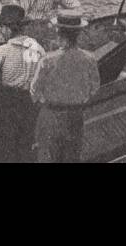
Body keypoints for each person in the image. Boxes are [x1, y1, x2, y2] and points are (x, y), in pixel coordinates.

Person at [29, 12, 100, 163]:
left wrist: (44, 101)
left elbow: (34, 90)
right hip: (75, 116)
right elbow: (94, 88)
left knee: (47, 157)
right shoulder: (90, 60)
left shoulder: (47, 60)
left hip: (51, 115)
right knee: (71, 157)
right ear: (78, 34)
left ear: (58, 33)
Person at [0, 4, 45, 163]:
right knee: (26, 142)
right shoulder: (38, 49)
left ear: (9, 29)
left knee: (6, 144)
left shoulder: (3, 50)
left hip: (8, 103)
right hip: (29, 102)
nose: (2, 31)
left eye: (2, 27)